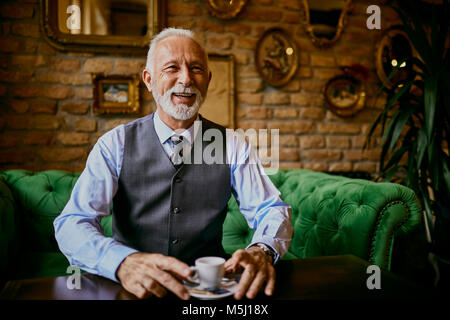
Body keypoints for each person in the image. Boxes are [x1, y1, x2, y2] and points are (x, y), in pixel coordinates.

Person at [54, 28, 293, 300]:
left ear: (208, 80)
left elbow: (271, 209)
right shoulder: (115, 144)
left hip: (208, 291)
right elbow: (73, 222)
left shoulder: (233, 145)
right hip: (130, 288)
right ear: (149, 79)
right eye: (171, 68)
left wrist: (262, 250)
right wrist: (122, 262)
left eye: (196, 68)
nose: (186, 79)